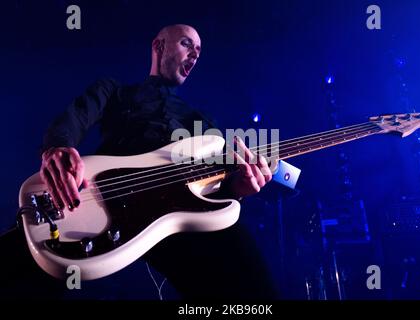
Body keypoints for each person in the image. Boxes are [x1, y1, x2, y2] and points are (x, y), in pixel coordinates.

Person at [35, 24, 277, 299]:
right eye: (187, 44)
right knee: (29, 259)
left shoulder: (202, 121)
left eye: (199, 51)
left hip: (177, 216)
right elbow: (75, 117)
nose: (195, 55)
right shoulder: (115, 91)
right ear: (158, 46)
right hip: (108, 203)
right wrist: (56, 148)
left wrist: (237, 186)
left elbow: (215, 183)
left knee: (250, 283)